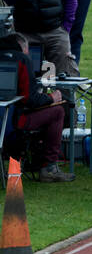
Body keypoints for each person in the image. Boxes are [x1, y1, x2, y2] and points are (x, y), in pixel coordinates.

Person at [1, 19, 72, 183]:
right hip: (14, 121)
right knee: (58, 111)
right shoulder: (21, 60)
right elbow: (29, 99)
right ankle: (48, 167)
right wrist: (51, 97)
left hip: (5, 119)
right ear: (23, 48)